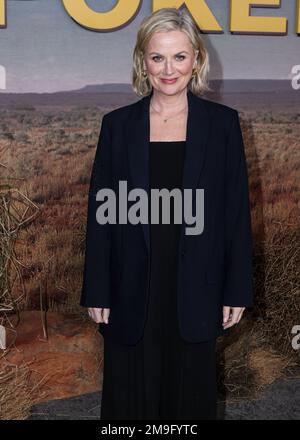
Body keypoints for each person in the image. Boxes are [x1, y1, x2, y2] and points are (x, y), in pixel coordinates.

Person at [80, 7, 253, 420]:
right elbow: (101, 215)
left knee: (187, 403)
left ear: (197, 59)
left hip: (196, 287)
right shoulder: (118, 126)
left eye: (179, 56)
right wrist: (98, 288)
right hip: (129, 289)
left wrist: (236, 289)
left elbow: (234, 213)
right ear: (143, 61)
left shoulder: (223, 124)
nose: (169, 69)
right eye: (158, 57)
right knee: (129, 404)